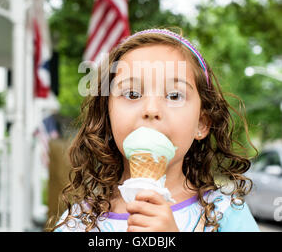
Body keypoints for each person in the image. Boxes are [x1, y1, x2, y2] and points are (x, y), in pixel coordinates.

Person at [49, 28, 260, 232]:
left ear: (201, 123)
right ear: (107, 116)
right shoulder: (78, 222)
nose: (151, 110)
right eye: (132, 94)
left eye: (175, 96)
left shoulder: (226, 213)